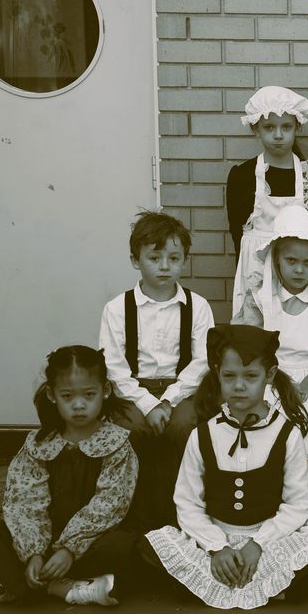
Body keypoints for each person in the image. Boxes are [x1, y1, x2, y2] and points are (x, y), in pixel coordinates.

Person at [141, 325, 308, 609]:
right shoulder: (203, 434)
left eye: (250, 376)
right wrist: (216, 547)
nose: (238, 386)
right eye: (229, 376)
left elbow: (296, 505)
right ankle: (261, 586)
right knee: (150, 548)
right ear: (217, 374)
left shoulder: (287, 434)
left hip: (269, 540)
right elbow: (187, 503)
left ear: (269, 375)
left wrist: (258, 544)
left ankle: (242, 584)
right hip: (216, 535)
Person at [0, 346, 138, 606]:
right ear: (51, 394)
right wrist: (33, 553)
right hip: (42, 543)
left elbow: (110, 504)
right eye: (67, 396)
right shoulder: (39, 444)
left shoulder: (116, 443)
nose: (79, 405)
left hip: (87, 544)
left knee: (124, 545)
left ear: (105, 390)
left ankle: (24, 586)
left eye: (89, 394)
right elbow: (24, 502)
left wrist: (69, 549)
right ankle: (59, 586)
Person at [99, 211, 213, 530]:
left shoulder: (198, 306)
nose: (164, 266)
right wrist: (149, 404)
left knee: (186, 427)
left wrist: (168, 401)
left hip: (183, 390)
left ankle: (186, 511)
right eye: (154, 257)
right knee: (130, 430)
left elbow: (202, 362)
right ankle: (131, 512)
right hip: (133, 392)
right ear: (135, 260)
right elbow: (114, 367)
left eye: (174, 258)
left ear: (184, 260)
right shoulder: (117, 309)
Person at [234, 205, 308, 481]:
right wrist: (272, 382)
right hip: (270, 375)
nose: (299, 270)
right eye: (291, 261)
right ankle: (267, 483)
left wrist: (306, 386)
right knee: (265, 413)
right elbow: (253, 347)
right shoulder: (262, 297)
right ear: (276, 259)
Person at [227, 86, 308, 315]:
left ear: (297, 127)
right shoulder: (241, 177)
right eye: (269, 127)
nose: (278, 135)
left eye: (286, 127)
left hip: (299, 275)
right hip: (253, 272)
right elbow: (237, 235)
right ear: (256, 129)